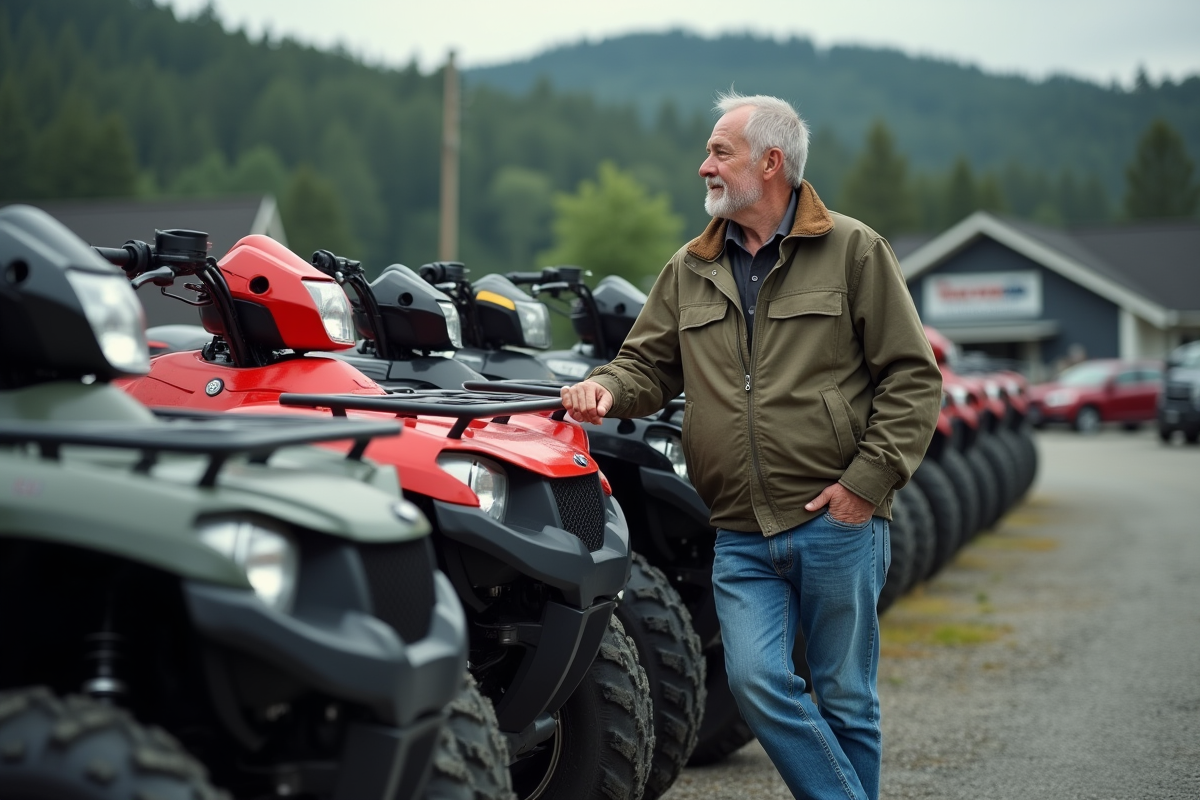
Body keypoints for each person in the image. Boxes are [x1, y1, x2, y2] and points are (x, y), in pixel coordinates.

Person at [560, 93, 941, 800]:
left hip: (838, 520)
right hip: (738, 528)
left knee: (846, 697)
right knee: (756, 684)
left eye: (719, 153)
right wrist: (606, 389)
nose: (704, 166)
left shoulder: (855, 251)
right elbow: (646, 363)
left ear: (770, 164)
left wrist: (866, 484)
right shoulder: (689, 267)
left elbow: (912, 379)